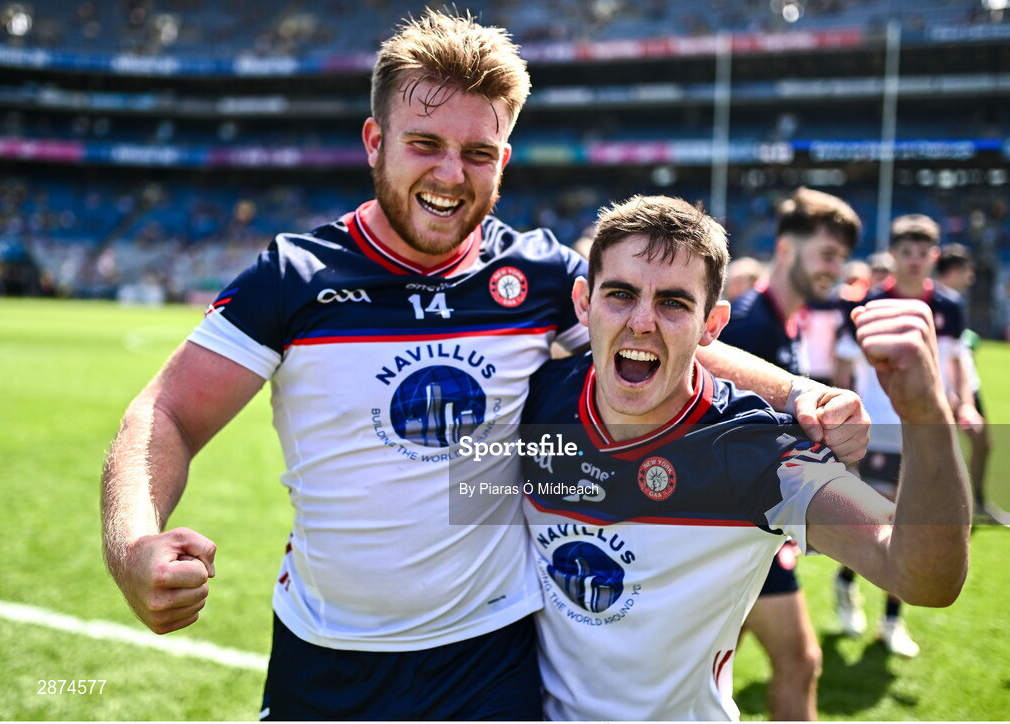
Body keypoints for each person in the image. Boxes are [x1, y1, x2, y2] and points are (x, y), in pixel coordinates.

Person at [100, 10, 867, 721]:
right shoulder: (294, 278)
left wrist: (801, 393)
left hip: (489, 657)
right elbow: (165, 412)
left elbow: (658, 334)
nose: (449, 175)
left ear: (502, 159)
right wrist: (133, 544)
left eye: (476, 153)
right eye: (424, 144)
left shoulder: (533, 273)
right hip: (324, 652)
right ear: (375, 142)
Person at [513, 195, 969, 721]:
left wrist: (928, 416)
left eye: (674, 304)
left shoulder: (757, 453)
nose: (641, 322)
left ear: (713, 323)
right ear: (582, 301)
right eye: (620, 294)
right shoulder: (536, 399)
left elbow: (920, 578)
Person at [717, 188, 860, 720]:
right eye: (826, 254)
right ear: (785, 249)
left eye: (841, 257)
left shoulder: (788, 321)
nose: (835, 269)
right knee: (800, 662)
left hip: (756, 527)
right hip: (735, 528)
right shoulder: (752, 325)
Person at [834, 213, 980, 657]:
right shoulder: (870, 302)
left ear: (934, 256)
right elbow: (843, 362)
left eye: (923, 252)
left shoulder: (949, 307)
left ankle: (891, 620)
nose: (915, 260)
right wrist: (841, 407)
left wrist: (965, 403)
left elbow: (953, 362)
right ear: (893, 254)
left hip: (928, 429)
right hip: (878, 427)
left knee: (912, 525)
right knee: (880, 520)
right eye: (906, 251)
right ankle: (846, 583)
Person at [936, 244, 1007, 525]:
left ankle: (975, 502)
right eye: (968, 272)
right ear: (954, 271)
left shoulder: (952, 301)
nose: (971, 278)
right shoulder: (935, 301)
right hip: (948, 390)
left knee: (982, 444)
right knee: (938, 451)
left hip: (966, 388)